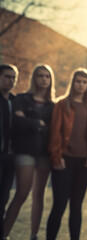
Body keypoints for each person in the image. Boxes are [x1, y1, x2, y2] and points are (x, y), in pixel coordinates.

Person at [46, 68, 87, 240]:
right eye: (78, 81)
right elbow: (55, 132)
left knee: (76, 206)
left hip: (84, 163)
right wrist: (56, 157)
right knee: (59, 205)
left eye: (84, 82)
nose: (81, 85)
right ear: (73, 82)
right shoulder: (62, 104)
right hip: (64, 161)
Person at [2, 64, 55, 240]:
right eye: (40, 76)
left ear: (50, 80)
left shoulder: (53, 105)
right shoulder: (22, 99)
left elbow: (53, 130)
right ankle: (4, 234)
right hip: (24, 150)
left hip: (44, 153)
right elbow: (16, 123)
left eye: (47, 76)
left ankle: (34, 235)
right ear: (34, 78)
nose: (43, 79)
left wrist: (30, 121)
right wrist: (38, 124)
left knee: (39, 196)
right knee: (22, 192)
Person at [0, 64, 18, 240]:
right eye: (7, 77)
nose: (11, 80)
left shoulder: (15, 101)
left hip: (10, 157)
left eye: (13, 78)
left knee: (4, 199)